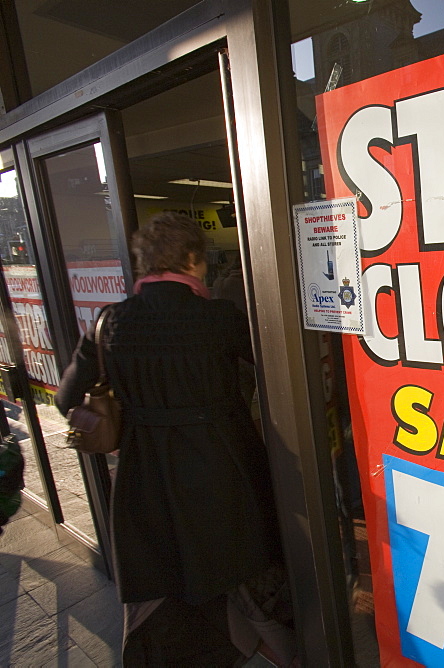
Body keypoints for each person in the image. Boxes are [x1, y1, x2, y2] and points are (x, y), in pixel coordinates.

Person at [56, 212, 295, 666]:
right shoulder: (218, 317)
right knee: (241, 564)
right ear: (191, 259)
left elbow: (67, 397)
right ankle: (265, 644)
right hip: (226, 465)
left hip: (147, 477)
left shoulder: (111, 324)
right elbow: (278, 373)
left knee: (168, 569)